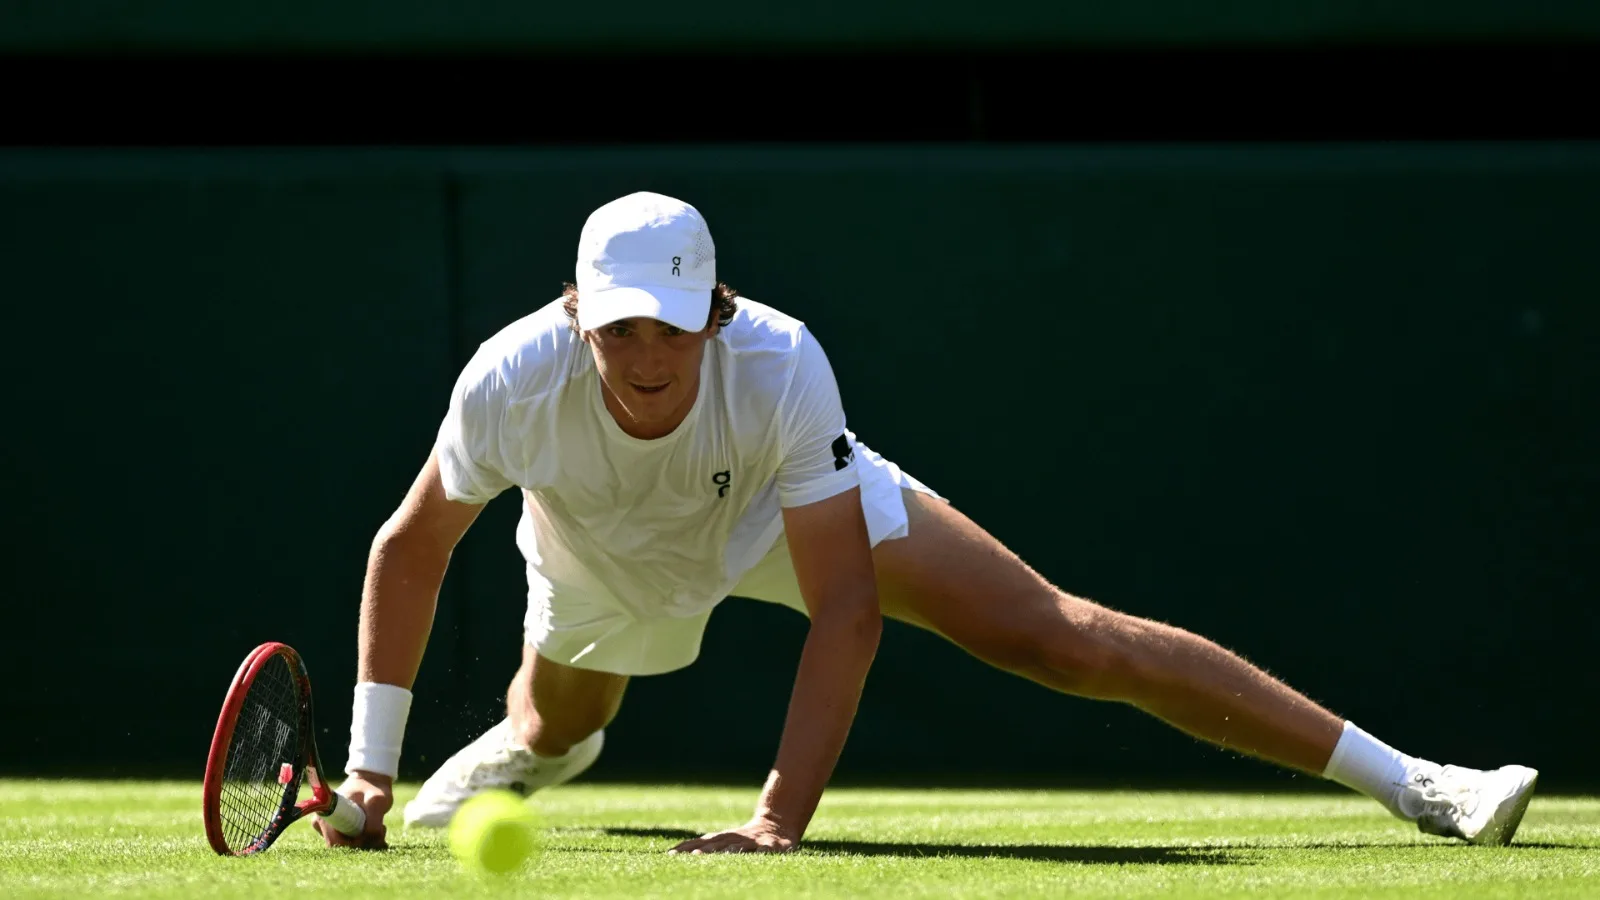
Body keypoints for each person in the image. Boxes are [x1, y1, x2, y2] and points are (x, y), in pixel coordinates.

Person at [314, 191, 1538, 855]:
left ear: (714, 310)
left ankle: (1419, 783)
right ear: (575, 314)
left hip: (775, 514)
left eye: (670, 323)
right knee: (554, 719)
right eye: (618, 324)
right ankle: (538, 746)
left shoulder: (781, 364)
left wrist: (776, 821)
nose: (646, 352)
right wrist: (369, 770)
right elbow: (411, 547)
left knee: (1067, 637)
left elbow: (845, 606)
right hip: (591, 546)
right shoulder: (508, 380)